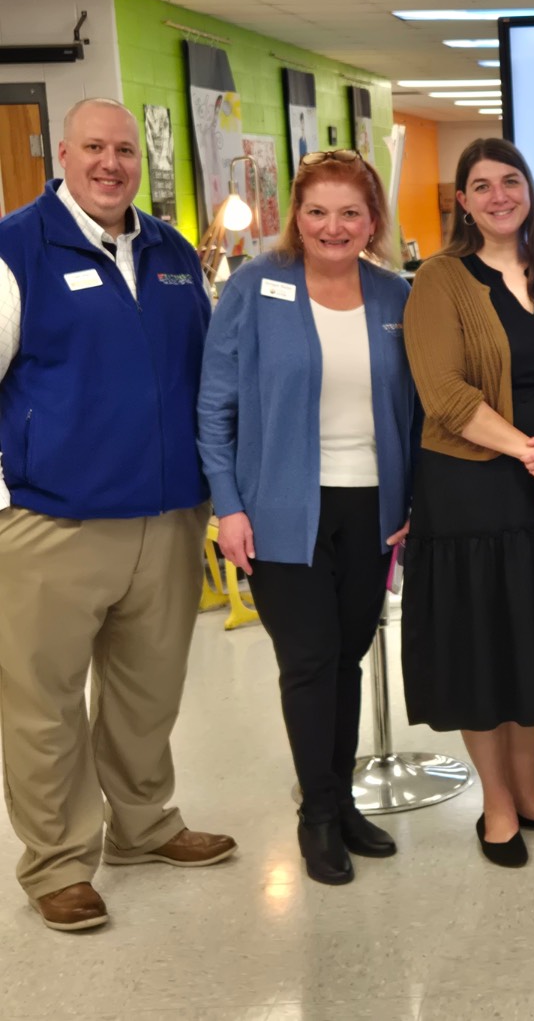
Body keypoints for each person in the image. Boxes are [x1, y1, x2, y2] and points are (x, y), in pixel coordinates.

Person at [0, 98, 236, 932]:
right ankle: (59, 863)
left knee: (147, 690)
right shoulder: (15, 248)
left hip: (168, 514)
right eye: (94, 147)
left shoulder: (172, 253)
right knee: (43, 702)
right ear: (60, 153)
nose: (110, 163)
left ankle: (144, 824)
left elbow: (205, 377)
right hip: (51, 520)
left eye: (125, 149)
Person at [198, 149, 416, 886]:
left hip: (372, 506)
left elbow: (413, 411)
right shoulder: (257, 286)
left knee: (346, 660)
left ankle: (342, 798)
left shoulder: (394, 295)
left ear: (373, 221)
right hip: (280, 506)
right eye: (317, 210)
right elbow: (215, 405)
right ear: (295, 214)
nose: (333, 226)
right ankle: (317, 815)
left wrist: (412, 499)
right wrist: (228, 505)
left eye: (350, 212)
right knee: (310, 660)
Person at [402, 137, 534, 868]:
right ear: (462, 200)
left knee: (533, 639)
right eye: (481, 185)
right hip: (473, 490)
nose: (498, 196)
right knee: (485, 646)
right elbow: (447, 394)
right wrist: (533, 453)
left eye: (510, 181)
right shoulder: (439, 279)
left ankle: (531, 791)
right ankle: (496, 804)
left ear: (528, 190)